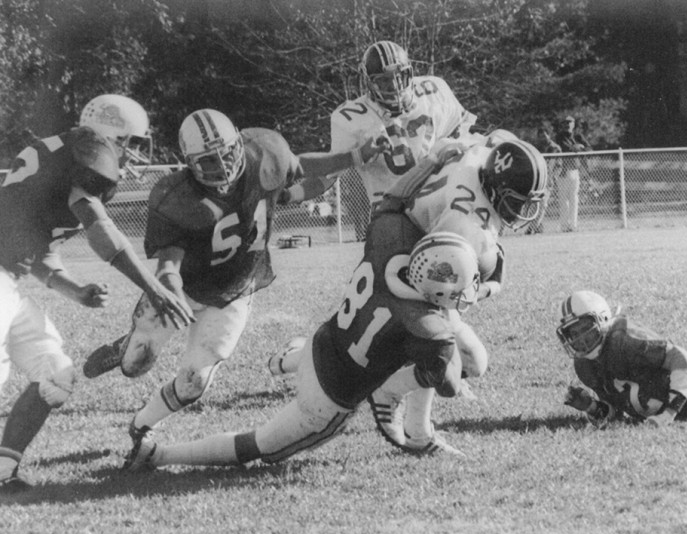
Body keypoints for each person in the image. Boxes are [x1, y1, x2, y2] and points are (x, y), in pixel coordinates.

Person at [81, 109, 385, 469]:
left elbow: (300, 167)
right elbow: (168, 264)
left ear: (239, 143)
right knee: (135, 365)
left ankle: (141, 426)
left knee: (194, 383)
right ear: (189, 164)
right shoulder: (177, 197)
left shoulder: (265, 153)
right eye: (208, 161)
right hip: (185, 290)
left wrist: (353, 157)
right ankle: (124, 347)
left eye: (227, 154)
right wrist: (170, 289)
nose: (222, 167)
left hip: (235, 289)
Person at [123, 226, 483, 472]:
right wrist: (448, 334)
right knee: (258, 446)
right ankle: (158, 455)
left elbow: (393, 203)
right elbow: (448, 385)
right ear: (438, 287)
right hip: (327, 400)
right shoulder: (429, 327)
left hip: (321, 345)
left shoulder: (388, 248)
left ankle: (286, 360)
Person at [270, 134, 548, 450]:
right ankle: (403, 413)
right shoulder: (468, 226)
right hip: (415, 265)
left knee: (367, 337)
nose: (522, 210)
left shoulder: (478, 159)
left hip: (403, 237)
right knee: (452, 355)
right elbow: (447, 290)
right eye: (516, 201)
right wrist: (489, 286)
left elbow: (479, 141)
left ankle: (292, 358)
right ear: (495, 188)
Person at [0, 94, 195, 492]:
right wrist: (152, 286)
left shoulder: (62, 155)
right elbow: (100, 229)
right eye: (132, 141)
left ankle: (2, 472)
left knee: (55, 373)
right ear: (110, 133)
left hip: (7, 279)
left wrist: (75, 290)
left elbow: (32, 252)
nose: (134, 153)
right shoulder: (85, 154)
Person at [278, 40, 477, 240]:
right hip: (392, 214)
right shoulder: (351, 117)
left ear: (410, 72)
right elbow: (325, 176)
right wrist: (289, 194)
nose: (394, 85)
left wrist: (451, 150)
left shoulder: (434, 90)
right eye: (383, 80)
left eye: (400, 76)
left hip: (439, 205)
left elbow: (464, 131)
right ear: (369, 82)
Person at [557, 290, 687, 427]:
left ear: (603, 319)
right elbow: (618, 415)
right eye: (573, 333)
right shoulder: (584, 366)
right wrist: (590, 406)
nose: (580, 338)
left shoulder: (624, 340)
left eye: (585, 328)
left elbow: (684, 362)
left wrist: (668, 414)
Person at [553, 116, 591, 232]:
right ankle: (564, 225)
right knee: (564, 200)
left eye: (570, 122)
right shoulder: (559, 137)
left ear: (574, 124)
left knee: (574, 198)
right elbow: (566, 149)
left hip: (575, 169)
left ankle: (573, 225)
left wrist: (580, 148)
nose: (568, 125)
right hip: (563, 171)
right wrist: (577, 147)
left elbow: (589, 148)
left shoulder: (578, 136)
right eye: (565, 123)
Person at [525, 127, 561, 235]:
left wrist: (554, 177)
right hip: (537, 180)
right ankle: (537, 226)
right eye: (540, 136)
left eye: (544, 135)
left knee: (543, 204)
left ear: (549, 135)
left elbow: (559, 165)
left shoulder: (555, 148)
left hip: (548, 180)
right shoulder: (535, 148)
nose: (542, 138)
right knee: (533, 205)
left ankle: (532, 228)